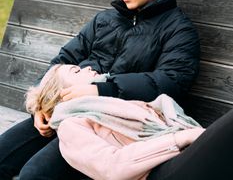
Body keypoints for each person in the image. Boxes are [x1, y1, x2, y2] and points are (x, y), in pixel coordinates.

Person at [0, 0, 200, 179]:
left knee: (35, 175)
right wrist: (41, 102)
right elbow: (63, 59)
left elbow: (171, 81)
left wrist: (101, 90)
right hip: (62, 110)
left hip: (105, 124)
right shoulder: (104, 20)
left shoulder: (178, 29)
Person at [25, 63, 233, 180]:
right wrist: (180, 137)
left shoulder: (114, 105)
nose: (88, 67)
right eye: (76, 71)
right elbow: (112, 167)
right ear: (63, 93)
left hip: (180, 158)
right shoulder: (71, 126)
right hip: (155, 173)